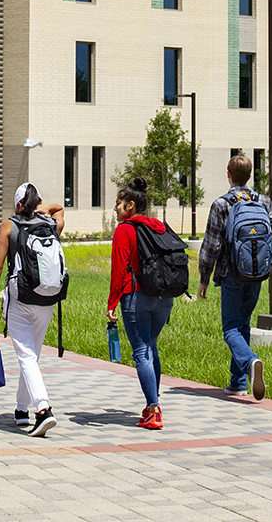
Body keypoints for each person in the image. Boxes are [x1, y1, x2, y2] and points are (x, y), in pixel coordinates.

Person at [194, 154, 272, 401]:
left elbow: (210, 246)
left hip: (231, 274)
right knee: (243, 323)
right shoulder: (263, 202)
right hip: (257, 275)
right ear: (250, 175)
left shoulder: (222, 204)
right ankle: (238, 383)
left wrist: (204, 279)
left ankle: (250, 361)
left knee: (231, 327)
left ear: (228, 173)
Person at [0, 183, 66, 436]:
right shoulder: (50, 225)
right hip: (47, 299)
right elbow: (59, 209)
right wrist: (42, 207)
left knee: (27, 357)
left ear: (18, 204)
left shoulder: (10, 226)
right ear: (37, 201)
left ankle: (43, 409)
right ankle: (20, 409)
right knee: (32, 356)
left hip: (19, 300)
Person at [107, 178, 173, 430]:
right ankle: (151, 404)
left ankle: (154, 410)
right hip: (164, 297)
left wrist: (112, 302)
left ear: (130, 206)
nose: (115, 208)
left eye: (118, 203)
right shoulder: (159, 225)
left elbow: (119, 269)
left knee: (141, 352)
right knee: (151, 347)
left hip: (136, 296)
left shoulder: (125, 229)